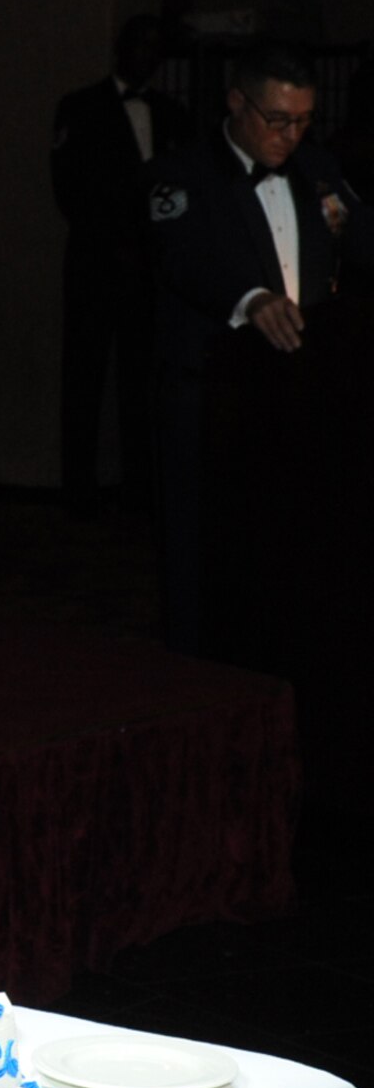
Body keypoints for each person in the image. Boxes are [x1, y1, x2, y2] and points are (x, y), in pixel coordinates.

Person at [147, 37, 374, 656]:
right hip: (209, 390)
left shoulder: (318, 169)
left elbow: (362, 241)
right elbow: (181, 260)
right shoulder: (181, 173)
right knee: (197, 543)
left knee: (288, 540)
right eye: (277, 120)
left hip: (294, 392)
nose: (291, 135)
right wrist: (252, 300)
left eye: (303, 120)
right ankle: (193, 673)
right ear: (237, 103)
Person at [52, 15, 191, 511]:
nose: (148, 56)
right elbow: (69, 189)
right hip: (96, 264)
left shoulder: (171, 112)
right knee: (84, 373)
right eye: (141, 46)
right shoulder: (81, 107)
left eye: (157, 48)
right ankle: (78, 487)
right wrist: (117, 241)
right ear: (120, 49)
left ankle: (139, 484)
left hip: (148, 271)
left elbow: (180, 190)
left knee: (141, 376)